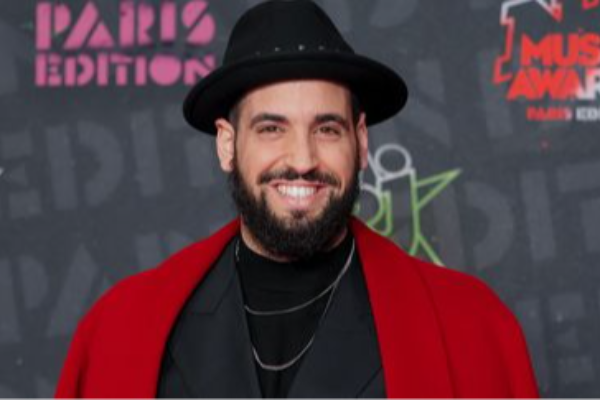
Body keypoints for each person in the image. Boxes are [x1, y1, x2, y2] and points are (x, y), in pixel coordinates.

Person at [55, 1, 540, 399]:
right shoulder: (121, 331)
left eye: (327, 129)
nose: (303, 160)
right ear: (227, 144)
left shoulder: (471, 330)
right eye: (272, 128)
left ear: (361, 141)